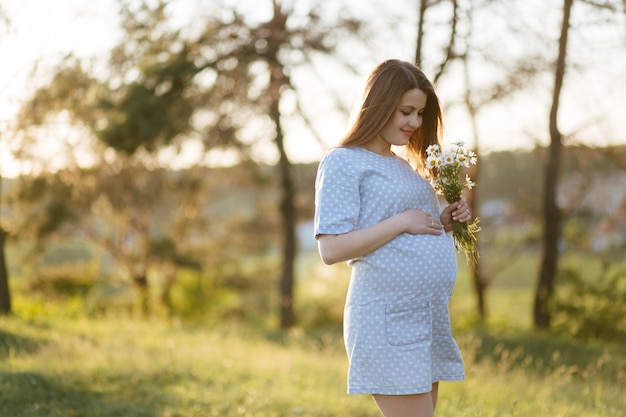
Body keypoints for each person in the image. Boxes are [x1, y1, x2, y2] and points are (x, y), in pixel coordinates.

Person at [313, 59, 472, 417]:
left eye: (419, 113)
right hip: (387, 321)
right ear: (380, 104)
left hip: (426, 318)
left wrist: (444, 222)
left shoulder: (403, 165)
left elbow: (414, 227)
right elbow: (331, 248)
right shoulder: (343, 162)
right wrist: (401, 221)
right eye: (406, 111)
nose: (414, 123)